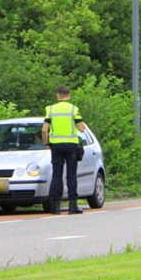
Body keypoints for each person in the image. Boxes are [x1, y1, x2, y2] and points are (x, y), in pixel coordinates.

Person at [41, 86, 87, 215]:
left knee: (57, 175)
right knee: (71, 175)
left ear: (57, 95)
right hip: (71, 145)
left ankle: (55, 207)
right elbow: (82, 128)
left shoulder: (50, 109)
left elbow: (44, 130)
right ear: (68, 95)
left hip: (56, 146)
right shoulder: (73, 109)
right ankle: (73, 206)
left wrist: (46, 143)